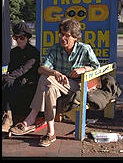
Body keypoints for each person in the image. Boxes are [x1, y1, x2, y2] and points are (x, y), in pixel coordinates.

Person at [10, 19, 100, 147]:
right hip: (56, 83)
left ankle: (30, 120)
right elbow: (41, 69)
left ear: (75, 37)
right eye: (61, 34)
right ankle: (51, 132)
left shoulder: (84, 49)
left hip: (75, 85)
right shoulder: (55, 49)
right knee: (48, 83)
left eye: (66, 35)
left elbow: (96, 67)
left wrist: (83, 69)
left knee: (46, 79)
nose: (62, 38)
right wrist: (55, 73)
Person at [2, 21, 40, 132]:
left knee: (7, 81)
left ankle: (8, 118)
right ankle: (7, 114)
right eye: (16, 38)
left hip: (28, 84)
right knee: (6, 81)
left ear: (27, 38)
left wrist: (7, 77)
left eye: (21, 38)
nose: (18, 40)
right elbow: (11, 69)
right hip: (14, 81)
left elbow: (23, 69)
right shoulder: (13, 52)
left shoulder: (33, 53)